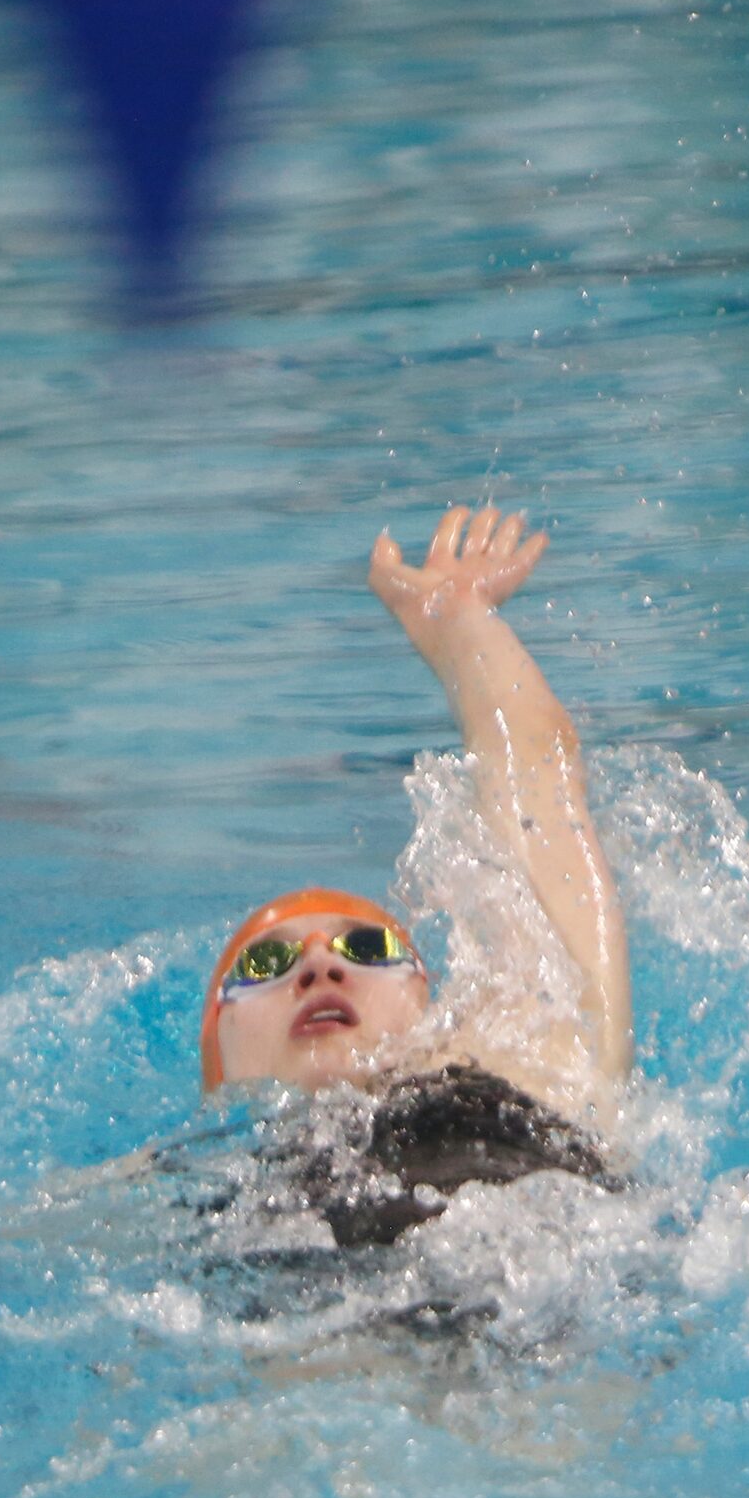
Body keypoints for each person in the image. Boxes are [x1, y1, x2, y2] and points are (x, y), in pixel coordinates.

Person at [199, 505, 631, 1245]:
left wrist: (459, 620)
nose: (317, 965)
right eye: (266, 961)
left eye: (367, 950)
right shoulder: (194, 1191)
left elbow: (538, 785)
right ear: (218, 1047)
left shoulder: (524, 1053)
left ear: (426, 1000)